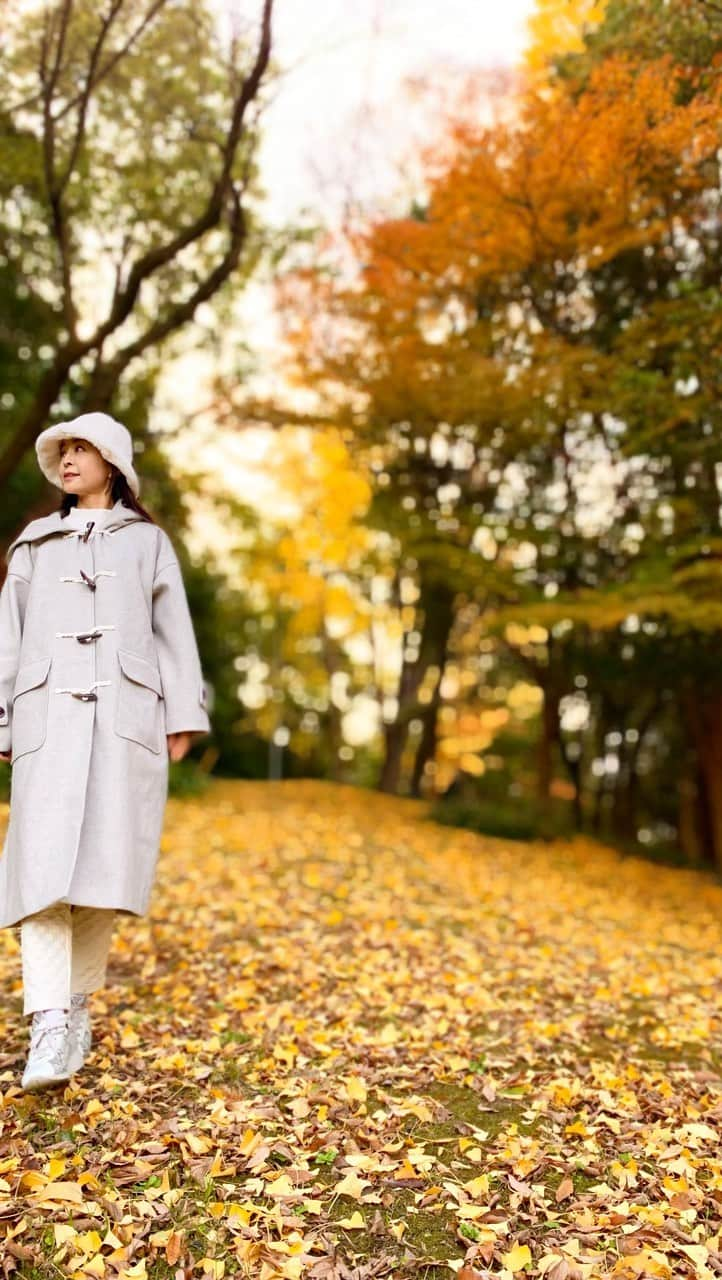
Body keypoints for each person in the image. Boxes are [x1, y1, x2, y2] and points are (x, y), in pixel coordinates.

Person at [0, 411, 211, 1090]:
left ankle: (78, 1008)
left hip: (123, 725)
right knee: (37, 876)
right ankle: (49, 1024)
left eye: (80, 449)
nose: (66, 460)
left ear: (112, 461)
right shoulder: (33, 546)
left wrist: (182, 713)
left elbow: (173, 631)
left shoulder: (148, 544)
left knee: (100, 876)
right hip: (45, 721)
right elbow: (7, 637)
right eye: (61, 451)